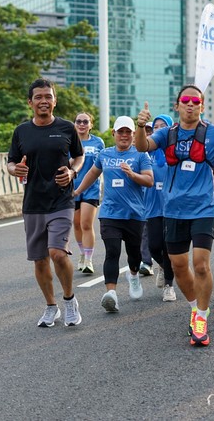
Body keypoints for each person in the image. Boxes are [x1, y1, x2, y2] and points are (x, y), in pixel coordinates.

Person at [135, 84, 214, 347]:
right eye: (185, 100)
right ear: (177, 105)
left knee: (200, 265)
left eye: (196, 101)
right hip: (173, 209)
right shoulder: (167, 133)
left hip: (203, 208)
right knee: (177, 265)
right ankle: (195, 307)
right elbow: (143, 146)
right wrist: (140, 126)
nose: (190, 104)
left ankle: (201, 317)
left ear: (202, 106)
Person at [7, 78, 84, 328]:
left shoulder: (67, 128)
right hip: (33, 203)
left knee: (57, 253)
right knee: (40, 259)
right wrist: (15, 169)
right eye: (38, 97)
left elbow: (79, 155)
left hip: (61, 200)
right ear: (30, 102)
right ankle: (51, 306)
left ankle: (70, 301)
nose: (44, 101)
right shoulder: (21, 131)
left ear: (55, 101)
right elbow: (11, 162)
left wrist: (72, 172)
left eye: (48, 96)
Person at [74, 116, 153, 312]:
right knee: (112, 252)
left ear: (133, 134)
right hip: (110, 213)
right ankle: (111, 294)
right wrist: (76, 192)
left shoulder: (141, 154)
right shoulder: (105, 154)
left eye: (128, 132)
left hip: (135, 214)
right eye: (120, 132)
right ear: (114, 133)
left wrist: (132, 174)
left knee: (134, 255)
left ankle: (133, 275)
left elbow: (149, 181)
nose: (124, 135)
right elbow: (92, 174)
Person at [144, 114, 177, 301]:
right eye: (155, 127)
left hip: (172, 208)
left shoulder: (176, 153)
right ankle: (164, 267)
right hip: (153, 206)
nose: (157, 129)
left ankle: (169, 286)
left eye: (162, 126)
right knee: (154, 246)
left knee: (168, 247)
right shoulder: (146, 153)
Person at [72, 112, 105, 274]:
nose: (82, 124)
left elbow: (102, 164)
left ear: (91, 125)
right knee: (76, 224)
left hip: (91, 188)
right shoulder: (69, 141)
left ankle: (88, 260)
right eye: (78, 121)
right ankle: (82, 253)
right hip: (72, 188)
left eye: (85, 122)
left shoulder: (98, 142)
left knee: (86, 223)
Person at [139, 122, 155, 276]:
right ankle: (146, 262)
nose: (149, 134)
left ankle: (165, 264)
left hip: (163, 201)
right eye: (146, 131)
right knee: (144, 231)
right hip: (143, 199)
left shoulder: (165, 151)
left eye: (151, 130)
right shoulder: (138, 153)